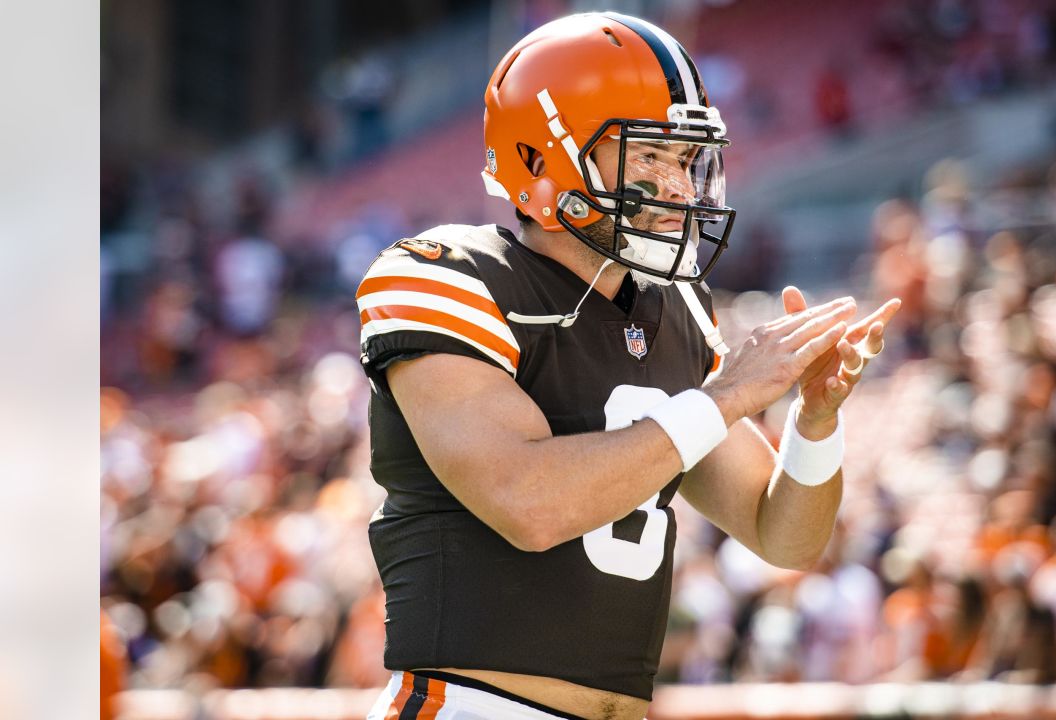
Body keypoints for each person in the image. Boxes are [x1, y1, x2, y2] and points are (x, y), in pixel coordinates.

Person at [357, 12, 900, 720]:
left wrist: (814, 422)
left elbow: (784, 535)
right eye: (646, 157)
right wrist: (726, 395)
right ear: (543, 159)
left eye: (683, 160)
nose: (676, 186)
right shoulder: (449, 277)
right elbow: (528, 503)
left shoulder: (673, 311)